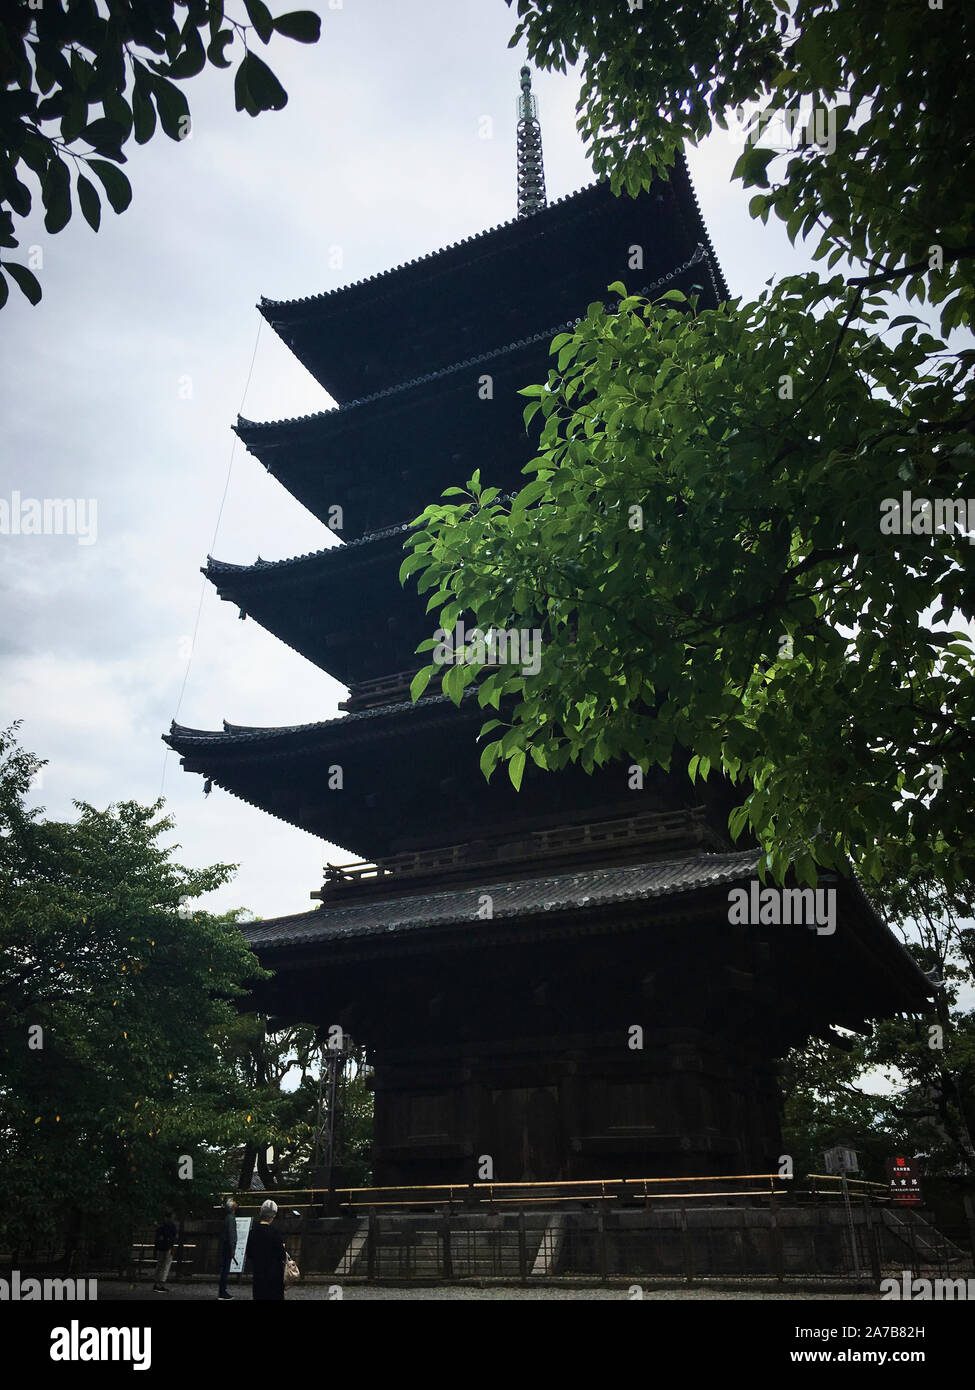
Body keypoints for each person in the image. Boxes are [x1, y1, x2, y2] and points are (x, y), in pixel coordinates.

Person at [245, 1199, 286, 1301]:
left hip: (258, 1273)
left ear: (261, 1213)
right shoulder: (275, 1233)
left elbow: (249, 1253)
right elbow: (282, 1255)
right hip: (274, 1275)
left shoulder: (253, 1232)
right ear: (273, 1216)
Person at [152, 1210, 178, 1292]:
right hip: (168, 1247)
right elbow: (174, 1236)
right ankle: (161, 1284)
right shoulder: (172, 1226)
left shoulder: (161, 1226)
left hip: (161, 1247)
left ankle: (156, 1283)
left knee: (159, 1265)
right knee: (166, 1266)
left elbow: (157, 1237)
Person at [218, 1197, 238, 1300]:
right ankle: (223, 1291)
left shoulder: (228, 1217)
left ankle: (222, 1290)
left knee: (224, 1268)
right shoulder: (231, 1218)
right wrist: (232, 1248)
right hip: (228, 1246)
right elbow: (231, 1234)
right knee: (225, 1269)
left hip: (225, 1244)